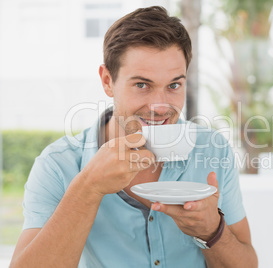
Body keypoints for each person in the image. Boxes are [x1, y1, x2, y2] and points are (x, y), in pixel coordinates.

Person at [10, 6, 258, 268]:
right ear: (107, 81)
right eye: (142, 85)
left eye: (174, 85)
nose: (160, 106)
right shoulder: (58, 165)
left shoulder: (213, 151)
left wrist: (213, 232)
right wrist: (88, 187)